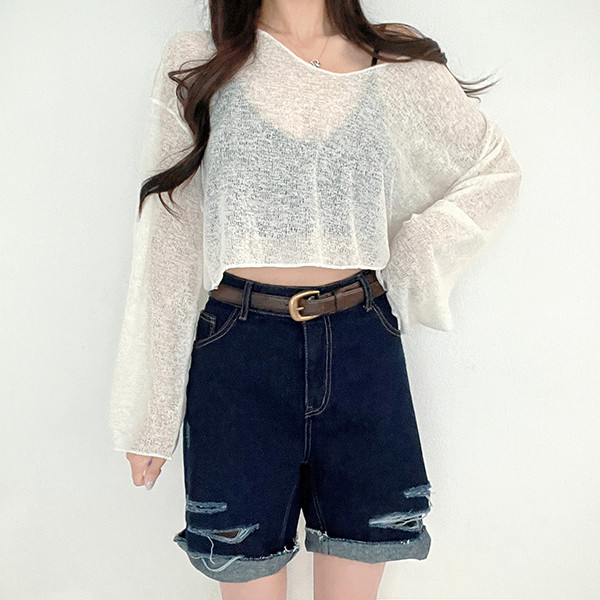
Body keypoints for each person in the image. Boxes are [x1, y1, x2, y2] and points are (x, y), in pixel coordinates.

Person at [109, 1, 522, 598]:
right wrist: (152, 413)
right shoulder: (201, 59)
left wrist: (415, 249)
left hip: (361, 349)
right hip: (239, 355)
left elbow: (494, 170)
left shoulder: (392, 61)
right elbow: (171, 235)